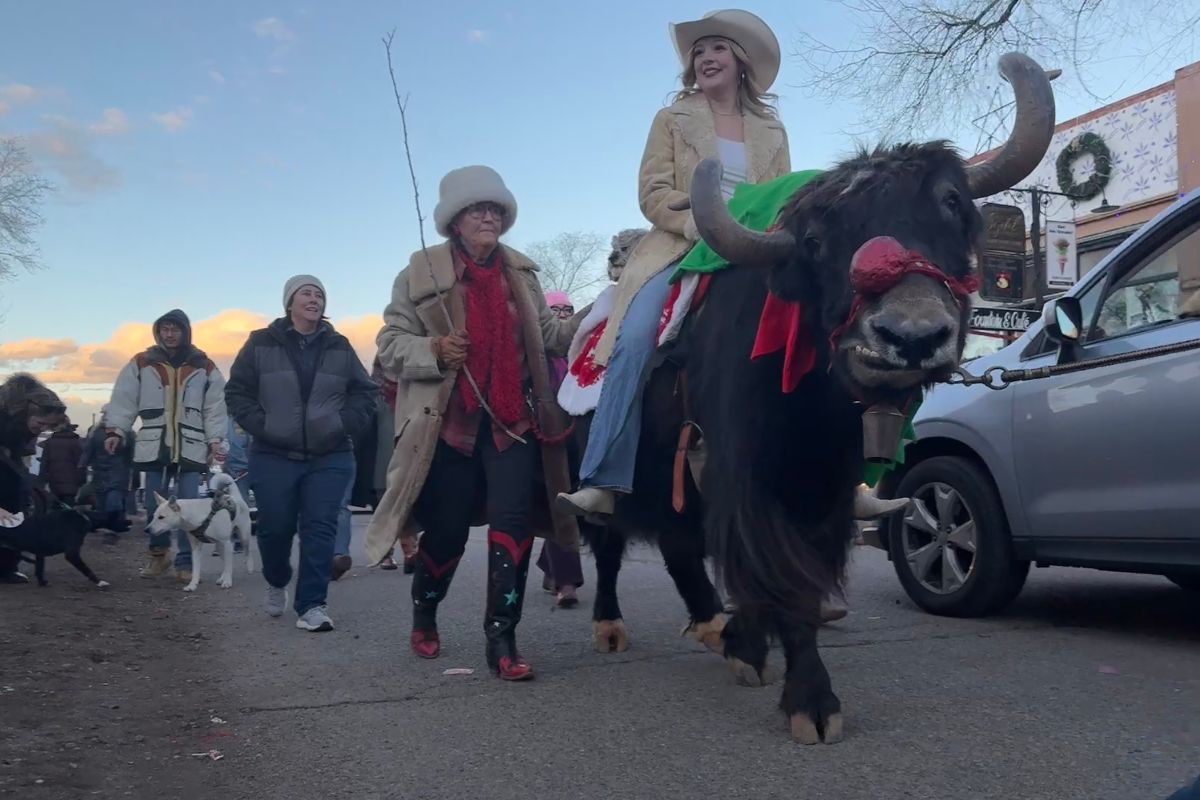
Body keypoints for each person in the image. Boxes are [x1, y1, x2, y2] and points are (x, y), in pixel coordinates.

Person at [556, 9, 791, 521]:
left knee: (813, 325)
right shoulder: (671, 119)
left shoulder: (772, 130)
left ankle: (845, 475)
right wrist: (692, 224)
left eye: (718, 48)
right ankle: (604, 475)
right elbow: (653, 191)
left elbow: (781, 197)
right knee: (636, 335)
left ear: (741, 61)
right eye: (698, 51)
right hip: (679, 245)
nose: (705, 57)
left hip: (753, 250)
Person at [364, 165, 581, 680]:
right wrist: (435, 349)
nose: (489, 217)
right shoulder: (421, 274)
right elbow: (389, 346)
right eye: (477, 210)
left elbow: (552, 338)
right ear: (455, 221)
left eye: (496, 210)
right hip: (448, 426)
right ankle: (425, 611)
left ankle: (502, 640)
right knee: (447, 533)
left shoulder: (522, 275)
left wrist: (599, 316)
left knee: (515, 528)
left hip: (512, 424)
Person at [225, 275, 378, 633]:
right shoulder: (261, 342)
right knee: (275, 528)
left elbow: (365, 392)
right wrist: (264, 425)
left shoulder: (339, 345)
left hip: (330, 454)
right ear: (289, 303)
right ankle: (277, 578)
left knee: (320, 529)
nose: (314, 299)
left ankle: (312, 604)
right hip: (273, 453)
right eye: (306, 293)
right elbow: (237, 392)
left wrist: (342, 423)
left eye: (319, 295)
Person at [104, 310, 228, 581]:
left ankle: (185, 562)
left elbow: (215, 406)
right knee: (153, 504)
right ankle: (159, 555)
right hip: (154, 443)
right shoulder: (142, 362)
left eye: (175, 329)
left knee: (188, 511)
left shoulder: (204, 365)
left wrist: (215, 440)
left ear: (185, 332)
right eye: (165, 329)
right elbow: (124, 398)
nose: (169, 334)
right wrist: (116, 430)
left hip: (191, 444)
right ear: (158, 332)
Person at [536, 290, 585, 607]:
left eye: (568, 309)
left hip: (578, 434)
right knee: (560, 503)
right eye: (557, 309)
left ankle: (549, 564)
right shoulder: (537, 354)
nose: (564, 314)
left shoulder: (581, 350)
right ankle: (567, 581)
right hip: (547, 436)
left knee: (573, 505)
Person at [0, 374, 68, 584]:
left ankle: (5, 567)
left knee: (14, 503)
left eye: (48, 426)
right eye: (41, 423)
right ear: (26, 412)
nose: (43, 429)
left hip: (7, 470)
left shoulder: (18, 427)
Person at [80, 406, 133, 539]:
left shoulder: (125, 432)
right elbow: (88, 450)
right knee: (102, 503)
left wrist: (133, 471)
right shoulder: (95, 431)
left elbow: (132, 453)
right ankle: (107, 528)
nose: (105, 416)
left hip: (117, 473)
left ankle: (113, 529)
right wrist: (82, 465)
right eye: (104, 414)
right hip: (102, 473)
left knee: (113, 502)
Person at [38, 418, 85, 505]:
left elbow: (44, 464)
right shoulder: (76, 442)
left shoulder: (49, 443)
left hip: (53, 484)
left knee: (55, 508)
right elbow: (80, 464)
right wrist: (82, 481)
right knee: (68, 509)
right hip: (72, 484)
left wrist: (42, 481)